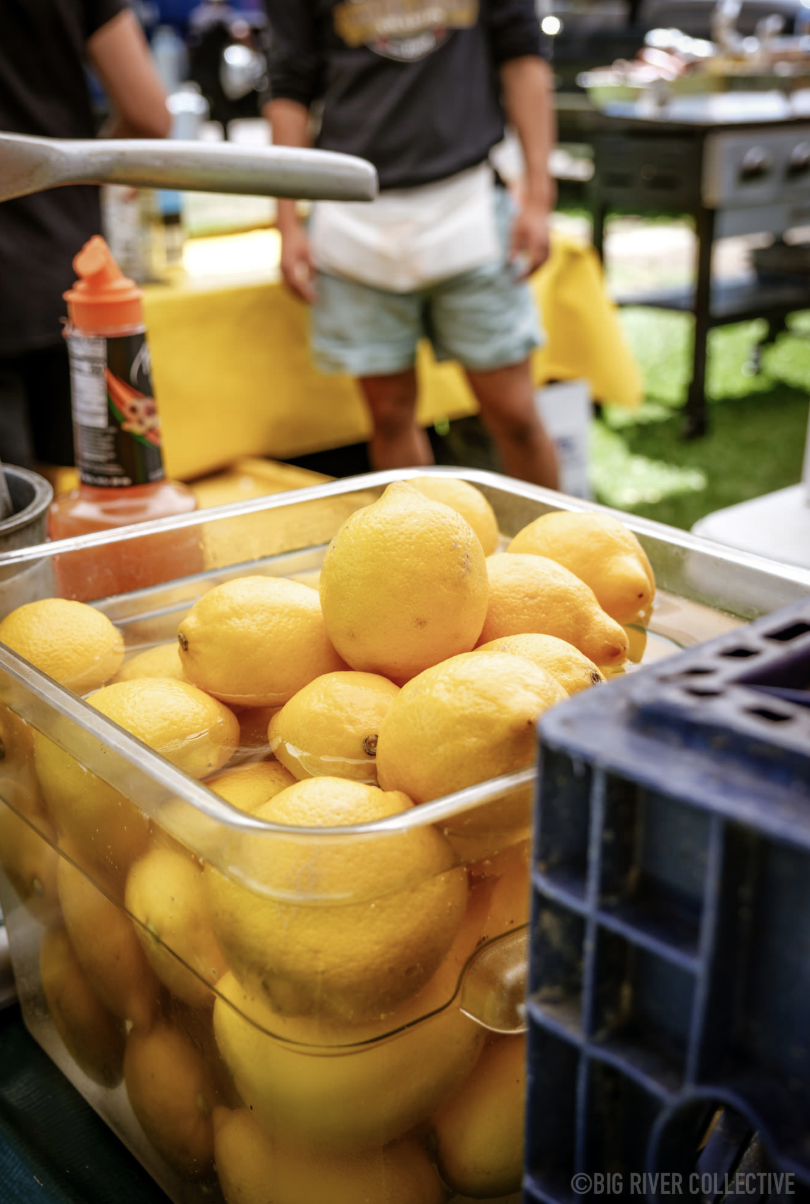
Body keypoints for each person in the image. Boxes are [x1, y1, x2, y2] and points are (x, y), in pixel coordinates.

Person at [263, 0, 560, 488]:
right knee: (390, 414)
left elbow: (523, 54)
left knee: (514, 413)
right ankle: (419, 556)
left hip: (468, 204)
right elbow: (290, 87)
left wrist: (538, 195)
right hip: (352, 214)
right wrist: (287, 221)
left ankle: (558, 554)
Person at [0, 2, 171, 471]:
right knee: (82, 490)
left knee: (12, 519)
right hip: (69, 272)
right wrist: (67, 184)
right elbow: (150, 115)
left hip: (53, 280)